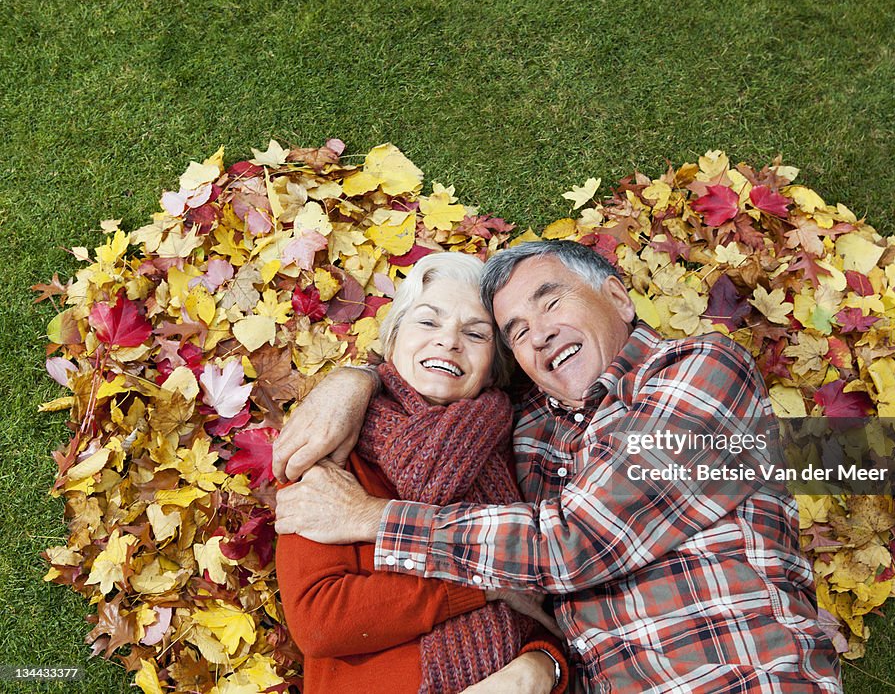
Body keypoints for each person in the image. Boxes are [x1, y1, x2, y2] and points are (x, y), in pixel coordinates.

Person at [275, 240, 843, 693]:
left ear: (619, 300)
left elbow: (576, 543)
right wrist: (355, 379)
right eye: (517, 331)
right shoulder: (522, 433)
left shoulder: (699, 370)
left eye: (551, 302)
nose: (538, 332)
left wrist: (374, 518)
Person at [275, 252, 568, 694]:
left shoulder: (518, 453)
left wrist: (543, 667)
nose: (450, 341)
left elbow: (546, 608)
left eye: (475, 333)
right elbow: (321, 620)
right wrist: (483, 583)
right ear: (392, 341)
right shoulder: (332, 444)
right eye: (428, 322)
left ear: (495, 367)